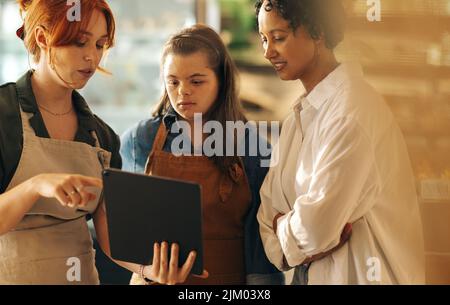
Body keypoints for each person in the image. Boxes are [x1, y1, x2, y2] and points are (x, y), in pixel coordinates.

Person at [255, 0, 425, 284]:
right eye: (263, 39)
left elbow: (315, 228)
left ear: (318, 32)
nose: (267, 51)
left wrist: (287, 232)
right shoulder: (300, 115)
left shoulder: (352, 111)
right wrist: (294, 242)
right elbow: (267, 212)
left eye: (279, 38)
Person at [120, 24, 285, 285]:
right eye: (173, 82)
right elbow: (122, 229)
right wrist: (144, 270)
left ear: (222, 80)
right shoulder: (138, 140)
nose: (183, 91)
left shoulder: (252, 145)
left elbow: (260, 245)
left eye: (196, 81)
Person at [0, 0, 124, 284]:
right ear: (43, 38)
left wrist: (152, 271)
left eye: (100, 45)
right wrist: (36, 185)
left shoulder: (102, 138)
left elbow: (114, 241)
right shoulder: (3, 116)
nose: (92, 58)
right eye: (80, 43)